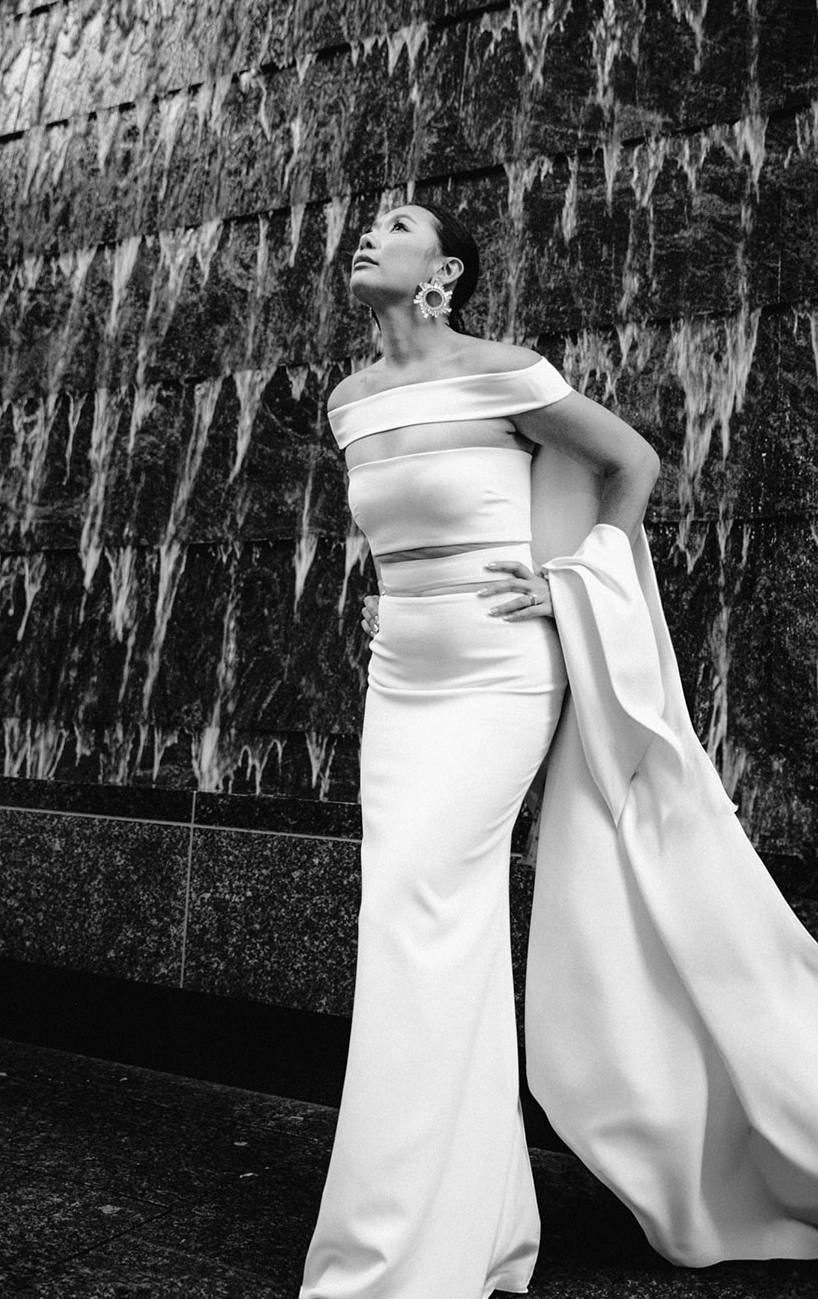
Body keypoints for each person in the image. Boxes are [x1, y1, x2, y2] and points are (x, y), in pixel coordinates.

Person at [298, 203, 818, 1299]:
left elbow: (630, 463)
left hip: (500, 677)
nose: (366, 234)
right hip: (402, 688)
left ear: (443, 271)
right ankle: (474, 1230)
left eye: (395, 225)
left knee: (413, 913)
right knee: (432, 929)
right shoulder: (348, 400)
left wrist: (576, 574)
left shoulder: (504, 371)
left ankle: (393, 1255)